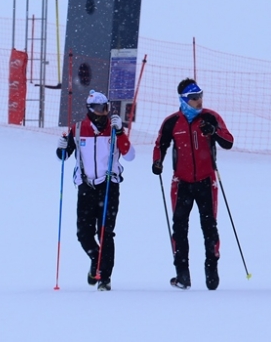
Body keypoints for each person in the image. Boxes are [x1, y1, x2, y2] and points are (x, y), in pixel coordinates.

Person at [152, 78, 234, 290]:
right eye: (194, 98)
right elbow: (160, 144)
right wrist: (157, 162)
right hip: (181, 183)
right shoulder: (172, 122)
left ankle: (211, 269)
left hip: (206, 181)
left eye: (200, 97)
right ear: (183, 100)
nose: (199, 101)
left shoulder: (210, 117)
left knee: (209, 226)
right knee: (179, 228)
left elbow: (228, 142)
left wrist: (213, 132)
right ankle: (182, 274)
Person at [55, 90, 135, 291]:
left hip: (109, 185)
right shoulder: (79, 129)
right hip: (86, 186)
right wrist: (61, 147)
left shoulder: (114, 129)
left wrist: (120, 133)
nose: (103, 113)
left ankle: (104, 278)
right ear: (90, 110)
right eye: (99, 109)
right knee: (84, 234)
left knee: (106, 232)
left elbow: (130, 155)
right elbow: (64, 156)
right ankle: (96, 259)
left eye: (106, 108)